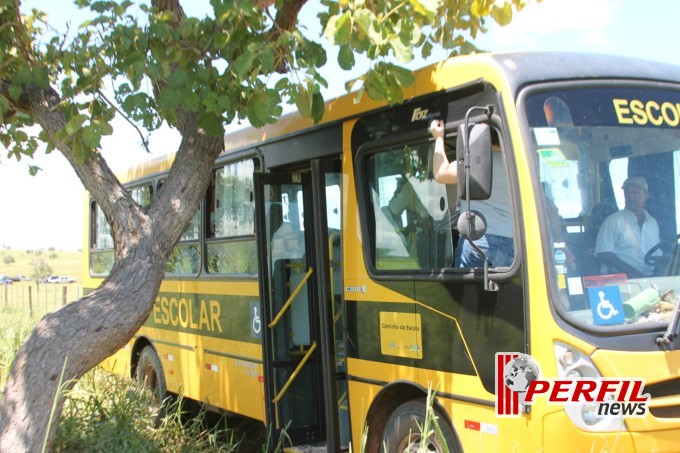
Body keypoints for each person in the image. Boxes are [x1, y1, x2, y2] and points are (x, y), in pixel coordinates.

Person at [430, 119, 514, 268]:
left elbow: (441, 174)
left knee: (469, 291)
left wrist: (438, 138)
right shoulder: (514, 164)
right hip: (512, 241)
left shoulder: (476, 162)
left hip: (479, 240)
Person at [594, 176, 660, 278]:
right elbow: (603, 253)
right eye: (627, 193)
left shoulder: (653, 223)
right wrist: (632, 272)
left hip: (650, 280)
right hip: (622, 279)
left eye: (636, 193)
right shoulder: (612, 221)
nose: (631, 197)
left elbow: (657, 254)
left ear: (646, 196)